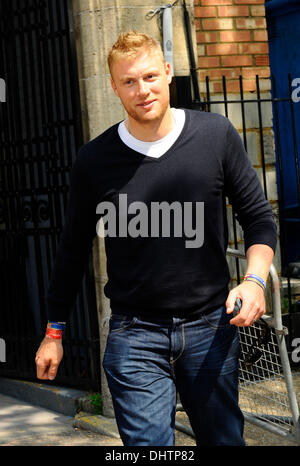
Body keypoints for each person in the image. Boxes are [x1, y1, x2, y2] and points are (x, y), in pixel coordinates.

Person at [35, 31, 277, 446]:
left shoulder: (215, 135)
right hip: (134, 333)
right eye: (128, 81)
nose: (142, 90)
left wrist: (255, 280)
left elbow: (259, 220)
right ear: (114, 87)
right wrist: (54, 333)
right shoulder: (94, 159)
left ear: (167, 73)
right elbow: (72, 251)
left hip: (210, 326)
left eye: (149, 76)